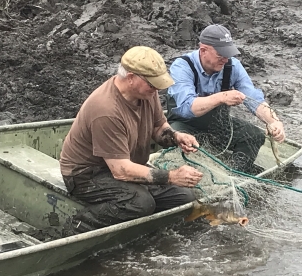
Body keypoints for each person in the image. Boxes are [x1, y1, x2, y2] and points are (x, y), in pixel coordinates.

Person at [60, 46, 204, 233]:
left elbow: (158, 127)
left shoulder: (146, 93)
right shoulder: (106, 110)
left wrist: (176, 137)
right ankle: (77, 227)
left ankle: (141, 230)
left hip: (124, 164)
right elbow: (121, 171)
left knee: (183, 197)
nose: (157, 89)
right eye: (152, 84)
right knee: (141, 203)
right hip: (87, 175)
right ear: (130, 78)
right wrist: (172, 176)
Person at [166, 24, 286, 173]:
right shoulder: (182, 67)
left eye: (228, 54)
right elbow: (187, 107)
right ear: (203, 50)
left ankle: (232, 174)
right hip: (184, 124)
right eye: (220, 55)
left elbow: (253, 98)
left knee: (254, 136)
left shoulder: (233, 66)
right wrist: (222, 97)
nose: (225, 59)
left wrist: (273, 121)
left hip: (218, 126)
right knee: (177, 140)